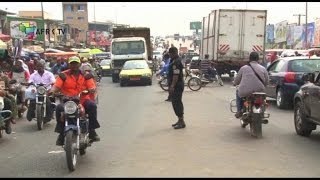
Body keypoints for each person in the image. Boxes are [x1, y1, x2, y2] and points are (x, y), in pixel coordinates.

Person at [48, 56, 100, 146]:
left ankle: (92, 131)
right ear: (69, 64)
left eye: (76, 63)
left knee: (92, 106)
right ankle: (61, 134)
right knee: (59, 108)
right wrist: (52, 91)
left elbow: (91, 86)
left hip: (82, 100)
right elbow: (56, 86)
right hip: (67, 101)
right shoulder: (63, 75)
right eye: (72, 63)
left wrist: (91, 89)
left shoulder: (86, 75)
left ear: (79, 64)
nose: (74, 65)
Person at [233, 52, 269, 118]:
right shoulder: (263, 69)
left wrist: (235, 83)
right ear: (258, 59)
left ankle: (239, 111)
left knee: (238, 92)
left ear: (249, 59)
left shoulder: (243, 68)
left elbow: (237, 80)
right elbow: (266, 82)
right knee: (263, 100)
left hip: (245, 91)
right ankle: (263, 112)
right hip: (260, 91)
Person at [167, 47, 185, 129]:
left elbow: (176, 75)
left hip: (177, 86)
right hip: (176, 85)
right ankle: (179, 120)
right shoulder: (174, 60)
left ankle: (181, 121)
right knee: (175, 103)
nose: (169, 55)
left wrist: (172, 86)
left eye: (170, 54)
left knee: (177, 103)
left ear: (173, 53)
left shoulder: (176, 62)